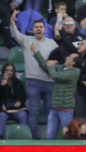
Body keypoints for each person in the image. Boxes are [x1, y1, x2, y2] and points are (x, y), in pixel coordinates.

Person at [10, 10, 58, 138]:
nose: (38, 29)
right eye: (36, 27)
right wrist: (12, 22)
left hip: (49, 83)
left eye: (40, 27)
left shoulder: (52, 43)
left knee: (50, 113)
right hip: (33, 82)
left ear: (44, 29)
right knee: (34, 113)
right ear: (33, 29)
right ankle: (32, 140)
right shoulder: (27, 40)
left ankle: (49, 138)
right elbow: (15, 35)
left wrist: (54, 62)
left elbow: (58, 59)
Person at [31, 43, 81, 140]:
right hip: (55, 107)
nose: (66, 57)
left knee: (69, 135)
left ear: (73, 63)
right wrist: (36, 52)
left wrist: (51, 66)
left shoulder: (74, 72)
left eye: (69, 57)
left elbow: (55, 76)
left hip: (66, 108)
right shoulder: (62, 68)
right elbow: (46, 66)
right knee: (50, 136)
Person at [0, 63, 28, 138]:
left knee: (23, 115)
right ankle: (0, 137)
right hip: (5, 110)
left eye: (11, 70)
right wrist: (4, 84)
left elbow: (24, 95)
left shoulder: (18, 82)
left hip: (17, 110)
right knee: (1, 116)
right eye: (7, 70)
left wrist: (20, 101)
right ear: (3, 71)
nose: (9, 72)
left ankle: (23, 136)